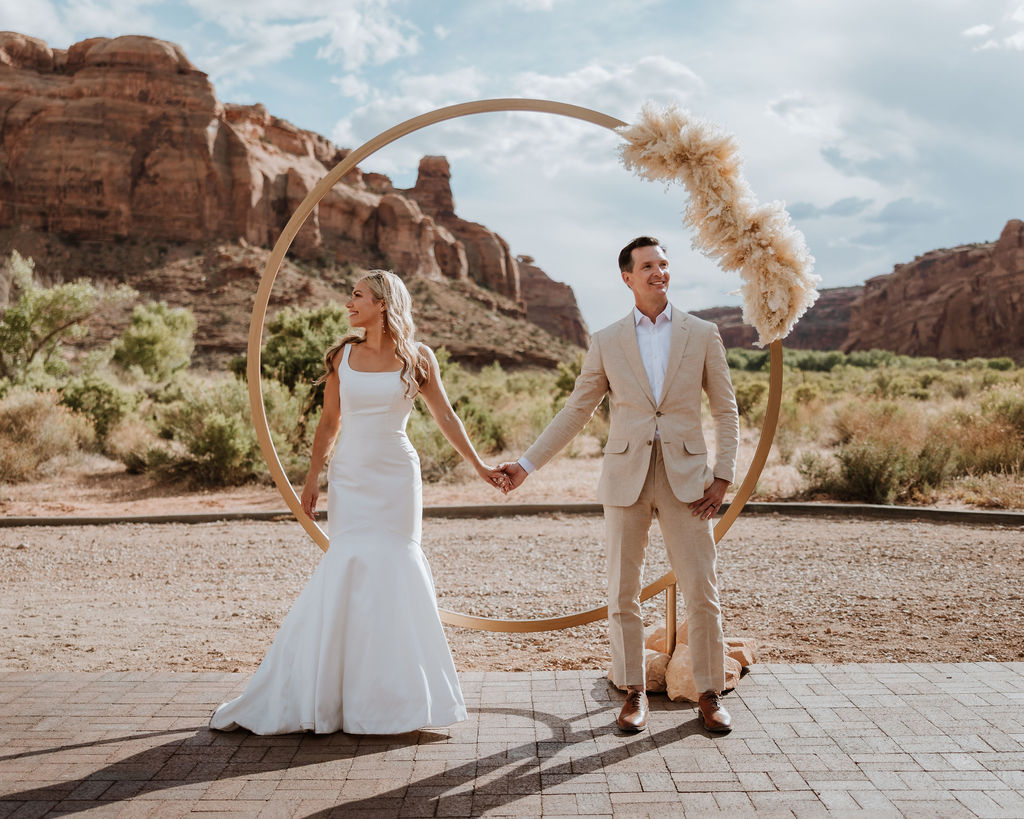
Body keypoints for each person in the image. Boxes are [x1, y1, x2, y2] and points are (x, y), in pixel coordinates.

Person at [210, 270, 509, 735]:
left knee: (397, 566)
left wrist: (477, 465)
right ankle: (334, 696)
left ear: (384, 303)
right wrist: (311, 479)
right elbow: (329, 421)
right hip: (349, 475)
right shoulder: (342, 356)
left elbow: (445, 416)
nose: (349, 303)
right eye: (350, 295)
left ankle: (399, 700)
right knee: (348, 565)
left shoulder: (418, 357)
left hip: (396, 475)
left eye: (357, 296)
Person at [500, 237, 739, 733]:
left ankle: (709, 693)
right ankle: (633, 692)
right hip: (625, 478)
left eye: (664, 264)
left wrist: (723, 476)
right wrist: (526, 464)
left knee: (702, 589)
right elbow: (576, 411)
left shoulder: (702, 333)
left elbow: (724, 409)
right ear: (627, 276)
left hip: (689, 482)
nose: (659, 273)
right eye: (648, 266)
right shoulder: (607, 340)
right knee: (622, 592)